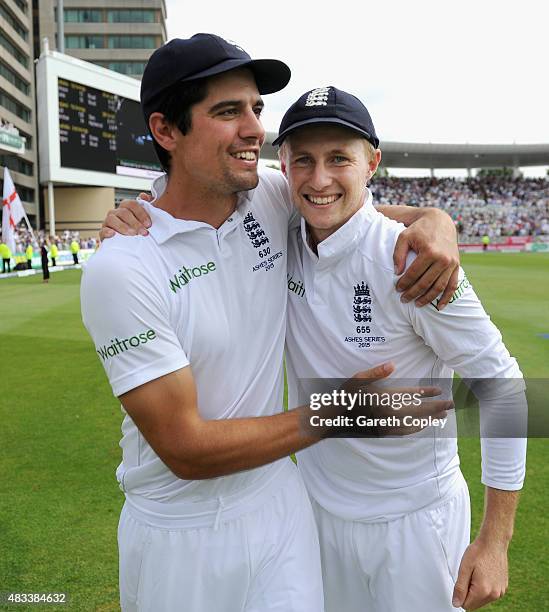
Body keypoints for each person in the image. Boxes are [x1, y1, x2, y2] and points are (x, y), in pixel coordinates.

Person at [85, 35, 459, 612]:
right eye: (228, 111)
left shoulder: (271, 196)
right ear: (165, 131)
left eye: (256, 108)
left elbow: (354, 208)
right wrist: (344, 412)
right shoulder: (124, 264)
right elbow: (186, 449)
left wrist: (436, 219)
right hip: (179, 532)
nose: (255, 129)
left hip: (281, 509)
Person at [272, 87, 526, 612]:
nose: (318, 179)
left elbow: (501, 384)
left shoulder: (412, 260)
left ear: (372, 163)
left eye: (339, 158)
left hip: (415, 523)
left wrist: (495, 540)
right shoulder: (283, 233)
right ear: (284, 166)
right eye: (304, 161)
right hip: (316, 516)